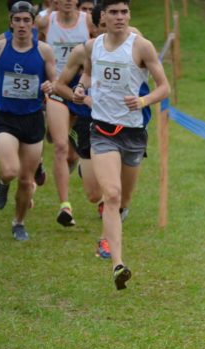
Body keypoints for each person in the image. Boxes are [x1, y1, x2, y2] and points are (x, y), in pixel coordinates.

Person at [74, 0, 169, 289]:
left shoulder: (142, 46)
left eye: (124, 12)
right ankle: (118, 264)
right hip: (102, 130)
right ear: (103, 17)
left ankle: (118, 213)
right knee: (111, 195)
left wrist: (141, 101)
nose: (119, 17)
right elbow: (89, 74)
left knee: (123, 199)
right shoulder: (93, 47)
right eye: (113, 12)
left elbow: (164, 87)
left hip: (133, 133)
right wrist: (81, 88)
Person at [0, 1, 56, 241]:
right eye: (17, 20)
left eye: (26, 20)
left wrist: (51, 85)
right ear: (11, 22)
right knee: (10, 171)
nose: (22, 25)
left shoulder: (43, 51)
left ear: (33, 24)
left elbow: (55, 79)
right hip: (7, 119)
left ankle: (18, 222)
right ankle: (2, 182)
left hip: (33, 119)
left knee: (26, 180)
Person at [37, 0, 95, 226]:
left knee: (73, 155)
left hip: (82, 88)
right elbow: (35, 50)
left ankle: (80, 164)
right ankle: (65, 206)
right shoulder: (46, 22)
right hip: (58, 88)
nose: (69, 1)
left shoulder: (87, 20)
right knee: (60, 147)